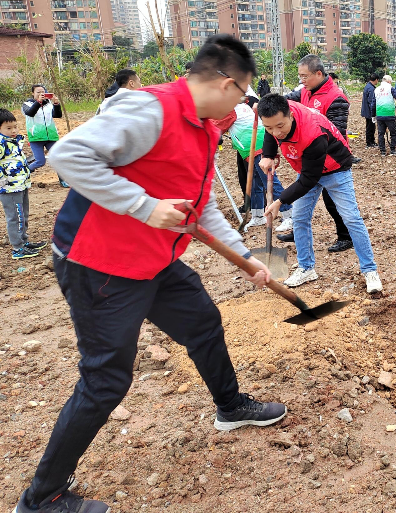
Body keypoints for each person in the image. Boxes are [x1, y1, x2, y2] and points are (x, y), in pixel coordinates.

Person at [11, 35, 286, 513]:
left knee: (203, 322)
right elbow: (67, 155)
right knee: (106, 379)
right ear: (227, 84)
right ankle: (41, 499)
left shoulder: (203, 129)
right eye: (243, 95)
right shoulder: (150, 109)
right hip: (100, 263)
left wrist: (246, 256)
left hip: (155, 260)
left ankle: (230, 407)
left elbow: (201, 207)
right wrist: (143, 206)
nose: (242, 106)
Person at [258, 94, 383, 293]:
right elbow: (271, 133)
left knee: (351, 218)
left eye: (280, 126)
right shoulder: (277, 116)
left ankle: (370, 270)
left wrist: (280, 202)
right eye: (269, 127)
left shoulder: (312, 132)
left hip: (336, 169)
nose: (276, 132)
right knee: (299, 218)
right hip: (306, 167)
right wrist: (268, 155)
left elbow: (309, 180)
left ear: (291, 115)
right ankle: (306, 268)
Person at [280, 54, 353, 253]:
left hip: (331, 159)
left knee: (333, 201)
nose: (301, 80)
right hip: (309, 156)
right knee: (302, 199)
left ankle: (346, 236)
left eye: (304, 76)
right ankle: (299, 231)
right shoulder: (306, 91)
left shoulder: (336, 98)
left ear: (318, 74)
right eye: (300, 76)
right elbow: (286, 102)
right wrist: (267, 104)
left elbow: (337, 132)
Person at [211, 89, 292, 231]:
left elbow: (214, 127)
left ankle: (289, 215)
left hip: (258, 146)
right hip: (250, 148)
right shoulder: (239, 106)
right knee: (255, 183)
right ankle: (258, 215)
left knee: (269, 181)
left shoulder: (231, 110)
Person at [0, 109, 47, 260]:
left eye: (15, 126)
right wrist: (2, 180)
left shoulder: (14, 141)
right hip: (10, 188)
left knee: (23, 215)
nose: (13, 130)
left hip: (21, 184)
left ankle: (24, 241)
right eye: (8, 128)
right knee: (15, 217)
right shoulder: (2, 143)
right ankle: (17, 248)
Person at [22, 84, 67, 187]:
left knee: (59, 158)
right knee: (40, 161)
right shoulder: (27, 104)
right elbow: (30, 113)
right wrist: (38, 102)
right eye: (38, 92)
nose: (41, 94)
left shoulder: (48, 104)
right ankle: (24, 173)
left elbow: (57, 115)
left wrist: (56, 104)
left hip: (51, 136)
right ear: (33, 93)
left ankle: (63, 180)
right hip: (36, 137)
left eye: (43, 92)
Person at [361, 72, 379, 148]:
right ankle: (369, 142)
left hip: (367, 110)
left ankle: (371, 141)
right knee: (370, 127)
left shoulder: (368, 86)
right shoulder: (371, 89)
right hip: (369, 112)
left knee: (370, 126)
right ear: (376, 79)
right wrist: (373, 113)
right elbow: (371, 102)